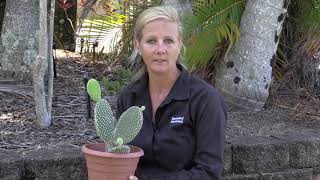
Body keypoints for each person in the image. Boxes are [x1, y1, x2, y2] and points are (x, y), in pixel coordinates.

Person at [116, 5, 227, 180]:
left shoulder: (205, 99)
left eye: (168, 40)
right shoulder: (129, 97)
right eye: (151, 41)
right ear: (138, 45)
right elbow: (120, 156)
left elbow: (209, 171)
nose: (161, 50)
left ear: (179, 44)